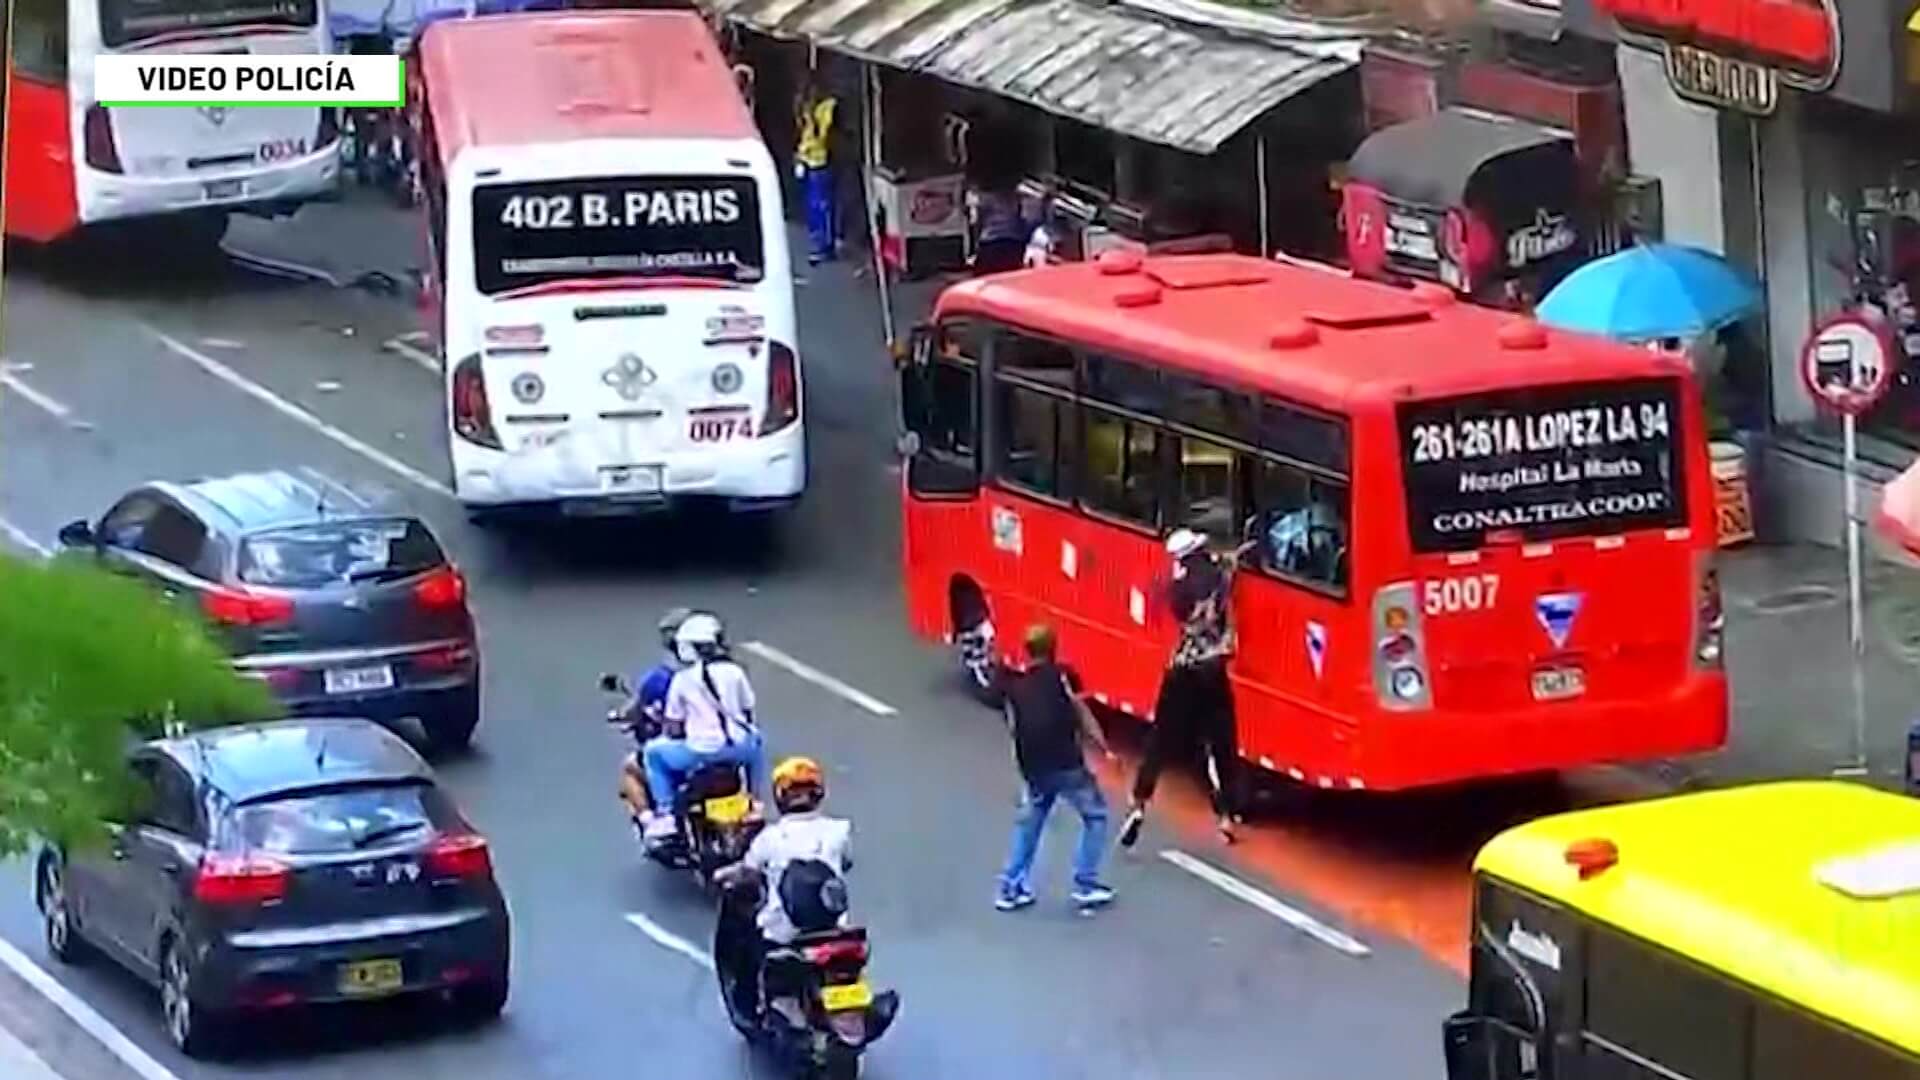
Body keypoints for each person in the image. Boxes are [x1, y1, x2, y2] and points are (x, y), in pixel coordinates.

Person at [1120, 529, 1246, 848]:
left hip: (1181, 669)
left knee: (1160, 740)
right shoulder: (1219, 577)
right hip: (1213, 669)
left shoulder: (1178, 591)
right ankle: (1225, 816)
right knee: (1219, 743)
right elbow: (1228, 567)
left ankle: (1139, 803)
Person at [716, 756, 853, 1024]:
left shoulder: (770, 838)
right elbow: (846, 862)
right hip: (835, 927)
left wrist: (724, 875)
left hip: (783, 932)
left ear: (780, 797)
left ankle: (751, 1010)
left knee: (747, 953)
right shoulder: (840, 830)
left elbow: (748, 871)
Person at [994, 624, 1117, 912]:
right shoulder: (1062, 677)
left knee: (1031, 822)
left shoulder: (1015, 686)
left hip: (1033, 766)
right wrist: (1104, 748)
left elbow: (1013, 726)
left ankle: (1010, 887)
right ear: (1054, 648)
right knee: (1095, 815)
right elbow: (1082, 714)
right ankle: (1085, 883)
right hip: (1065, 763)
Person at [639, 612, 767, 841]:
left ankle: (666, 814)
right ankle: (755, 800)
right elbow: (748, 713)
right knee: (756, 740)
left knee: (652, 753)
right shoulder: (735, 672)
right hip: (738, 750)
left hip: (700, 753)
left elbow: (674, 727)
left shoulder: (683, 679)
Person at [615, 608, 692, 826]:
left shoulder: (660, 679)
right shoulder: (723, 673)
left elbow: (637, 710)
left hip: (689, 751)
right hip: (725, 749)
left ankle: (656, 820)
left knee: (632, 766)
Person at [795, 79, 839, 266]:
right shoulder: (806, 110)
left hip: (821, 161)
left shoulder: (826, 109)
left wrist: (810, 119)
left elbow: (821, 136)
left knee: (822, 206)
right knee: (813, 205)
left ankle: (825, 246)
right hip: (809, 161)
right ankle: (817, 242)